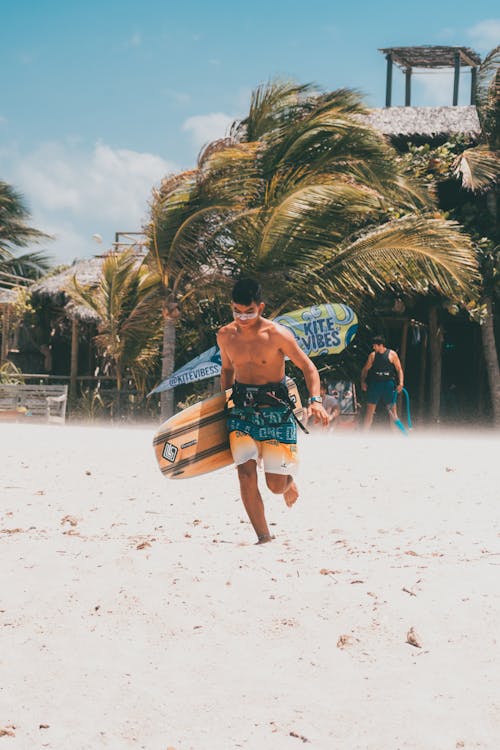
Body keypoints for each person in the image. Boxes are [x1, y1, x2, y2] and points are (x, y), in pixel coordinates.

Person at [217, 278, 329, 544]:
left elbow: (308, 367)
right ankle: (264, 536)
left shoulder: (278, 335)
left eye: (249, 311)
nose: (242, 317)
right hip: (242, 410)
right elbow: (227, 370)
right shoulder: (225, 335)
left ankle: (288, 483)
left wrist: (316, 400)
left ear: (261, 307)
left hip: (277, 410)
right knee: (245, 472)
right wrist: (228, 403)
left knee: (275, 486)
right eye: (237, 311)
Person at [360, 335, 404, 429]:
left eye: (375, 345)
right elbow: (365, 369)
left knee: (393, 413)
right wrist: (363, 381)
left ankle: (396, 436)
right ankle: (364, 436)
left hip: (388, 384)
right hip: (375, 384)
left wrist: (401, 383)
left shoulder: (392, 354)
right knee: (369, 413)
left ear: (381, 345)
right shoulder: (372, 356)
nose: (373, 347)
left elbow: (399, 369)